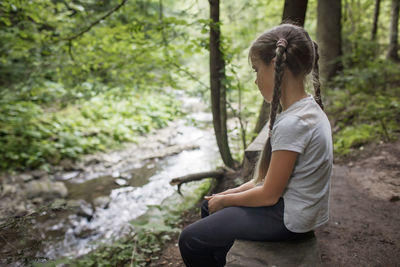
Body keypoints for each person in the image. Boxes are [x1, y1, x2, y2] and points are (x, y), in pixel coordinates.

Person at [178, 23, 333, 267]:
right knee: (211, 205)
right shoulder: (308, 109)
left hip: (289, 219)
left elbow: (269, 195)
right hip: (298, 211)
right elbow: (270, 181)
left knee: (189, 239)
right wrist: (227, 194)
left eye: (256, 70)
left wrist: (226, 201)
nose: (255, 80)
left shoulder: (293, 122)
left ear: (274, 65)